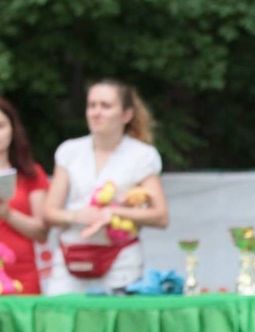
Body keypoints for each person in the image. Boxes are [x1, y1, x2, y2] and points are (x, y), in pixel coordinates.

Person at [43, 79, 168, 294]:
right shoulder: (69, 151)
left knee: (117, 323)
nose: (96, 112)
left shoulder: (142, 155)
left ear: (126, 115)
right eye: (92, 105)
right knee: (60, 321)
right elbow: (49, 212)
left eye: (105, 106)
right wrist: (77, 216)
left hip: (120, 259)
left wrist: (113, 213)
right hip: (71, 255)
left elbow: (161, 216)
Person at [0, 96, 49, 294]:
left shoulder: (31, 173)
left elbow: (41, 231)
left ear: (13, 129)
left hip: (23, 275)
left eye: (1, 126)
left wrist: (7, 214)